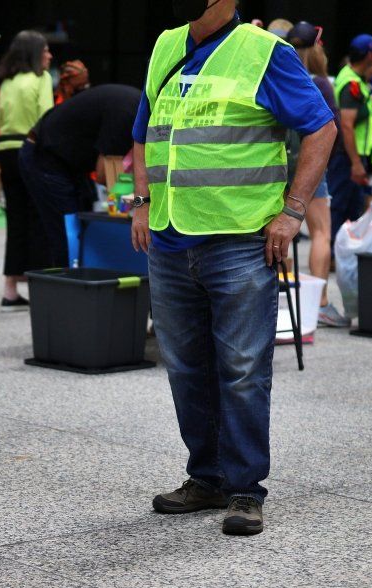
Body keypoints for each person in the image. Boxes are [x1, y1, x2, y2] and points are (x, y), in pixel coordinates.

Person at [130, 0, 335, 537]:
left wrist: (293, 212)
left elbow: (321, 128)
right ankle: (207, 477)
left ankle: (245, 488)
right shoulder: (166, 44)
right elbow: (145, 129)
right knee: (185, 367)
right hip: (171, 238)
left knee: (243, 369)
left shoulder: (265, 52)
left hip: (239, 240)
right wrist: (141, 202)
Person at [22, 82, 137, 270]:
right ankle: (68, 282)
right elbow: (105, 175)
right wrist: (135, 200)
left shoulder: (135, 108)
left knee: (83, 227)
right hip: (45, 155)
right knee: (68, 232)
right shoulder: (126, 115)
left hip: (69, 161)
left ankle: (80, 275)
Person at [286, 22, 342, 326]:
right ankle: (319, 303)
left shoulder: (280, 77)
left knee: (279, 230)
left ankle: (281, 297)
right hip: (310, 165)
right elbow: (331, 129)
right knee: (320, 231)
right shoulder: (320, 84)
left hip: (279, 163)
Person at [0, 30, 53, 307]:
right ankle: (40, 285)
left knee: (15, 219)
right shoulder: (41, 79)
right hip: (31, 149)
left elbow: (1, 117)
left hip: (6, 150)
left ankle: (10, 289)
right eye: (45, 50)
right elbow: (46, 117)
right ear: (35, 53)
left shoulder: (7, 81)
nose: (49, 55)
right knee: (39, 218)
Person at [331, 33, 372, 231]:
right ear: (369, 55)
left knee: (353, 209)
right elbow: (347, 125)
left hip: (354, 155)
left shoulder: (358, 80)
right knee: (340, 208)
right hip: (348, 157)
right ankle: (333, 249)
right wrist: (356, 163)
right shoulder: (351, 84)